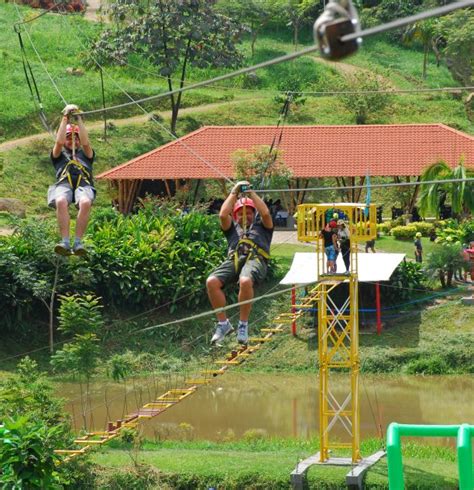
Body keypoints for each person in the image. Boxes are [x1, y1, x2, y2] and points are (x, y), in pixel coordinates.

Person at [206, 181, 273, 346]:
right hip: (235, 260)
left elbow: (265, 213)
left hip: (256, 260)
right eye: (241, 214)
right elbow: (222, 215)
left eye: (249, 213)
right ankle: (223, 324)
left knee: (245, 281)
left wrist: (250, 193)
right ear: (236, 216)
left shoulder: (262, 227)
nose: (245, 216)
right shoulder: (232, 229)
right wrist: (234, 192)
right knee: (211, 282)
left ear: (253, 213)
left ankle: (243, 325)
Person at [48, 104, 95, 256]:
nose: (73, 141)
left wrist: (79, 119)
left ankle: (78, 242)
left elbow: (86, 142)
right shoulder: (59, 155)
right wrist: (65, 118)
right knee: (61, 201)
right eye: (70, 138)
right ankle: (65, 241)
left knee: (86, 203)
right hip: (64, 183)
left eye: (76, 138)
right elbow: (59, 142)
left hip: (83, 184)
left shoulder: (86, 154)